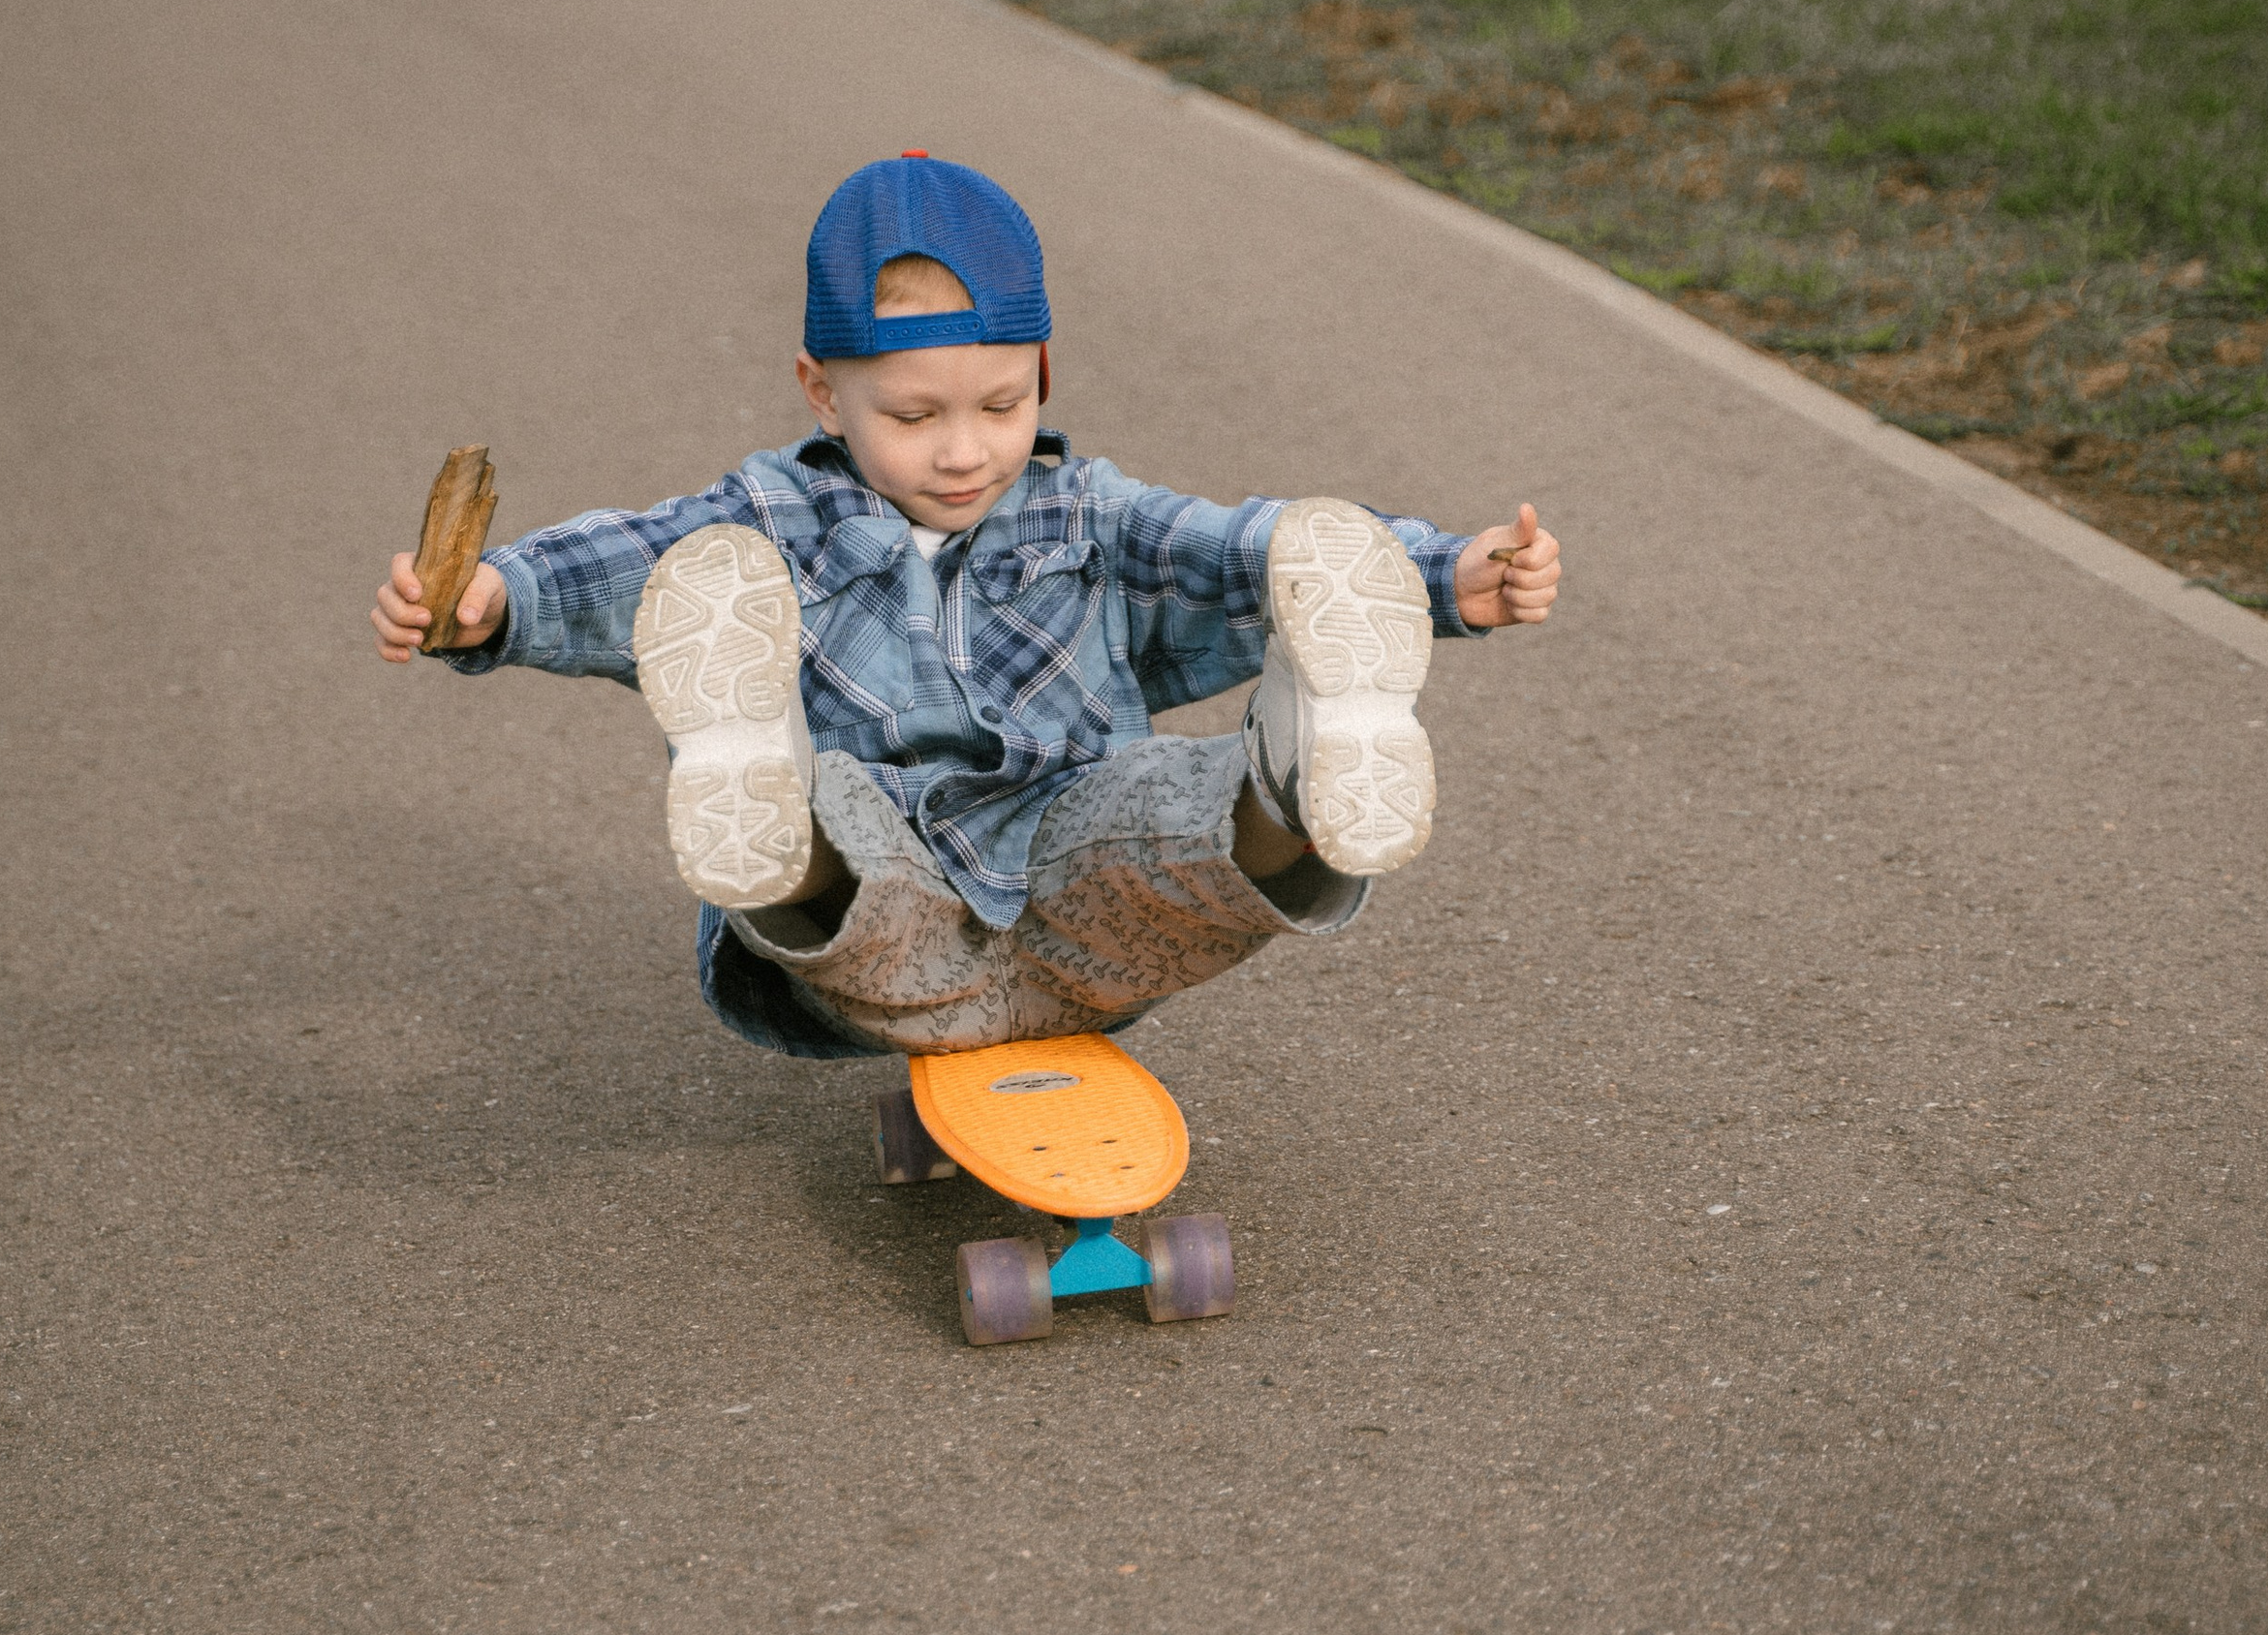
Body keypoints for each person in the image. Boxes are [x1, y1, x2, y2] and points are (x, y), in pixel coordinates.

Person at [371, 155, 1560, 1061]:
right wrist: (490, 597)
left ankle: (1300, 770)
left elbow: (1238, 547)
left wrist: (1443, 573)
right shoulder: (772, 522)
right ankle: (764, 795)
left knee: (1168, 797)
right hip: (897, 930)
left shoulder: (1083, 510)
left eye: (998, 406)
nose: (961, 451)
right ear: (821, 394)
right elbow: (630, 557)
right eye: (911, 415)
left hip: (1082, 900)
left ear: (1040, 373)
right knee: (838, 818)